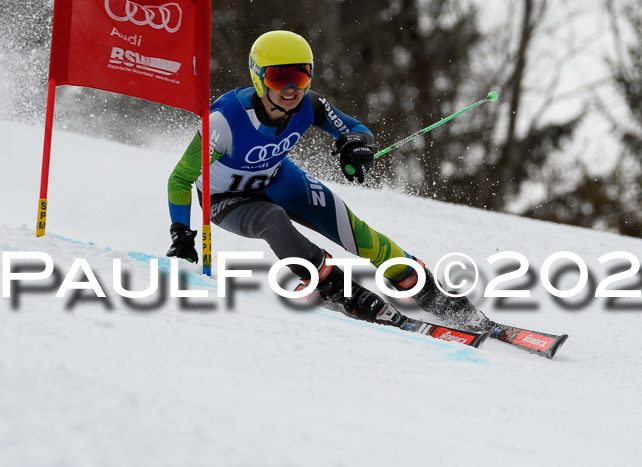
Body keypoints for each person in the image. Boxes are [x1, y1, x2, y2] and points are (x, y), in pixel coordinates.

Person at [166, 30, 486, 330]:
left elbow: (357, 129)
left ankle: (432, 293)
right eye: (280, 77)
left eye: (301, 76)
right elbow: (180, 179)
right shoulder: (225, 120)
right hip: (227, 199)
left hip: (280, 179)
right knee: (272, 219)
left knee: (358, 234)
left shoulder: (311, 105)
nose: (292, 88)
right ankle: (332, 286)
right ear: (258, 77)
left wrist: (355, 146)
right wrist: (181, 232)